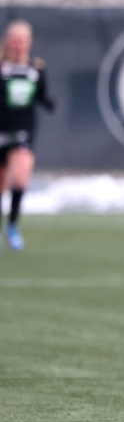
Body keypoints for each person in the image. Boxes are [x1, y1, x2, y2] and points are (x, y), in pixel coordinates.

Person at [0, 20, 55, 254]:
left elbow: (42, 95)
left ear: (29, 42)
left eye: (23, 40)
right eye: (15, 40)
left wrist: (48, 103)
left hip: (23, 131)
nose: (19, 45)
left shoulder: (37, 69)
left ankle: (12, 225)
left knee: (21, 178)